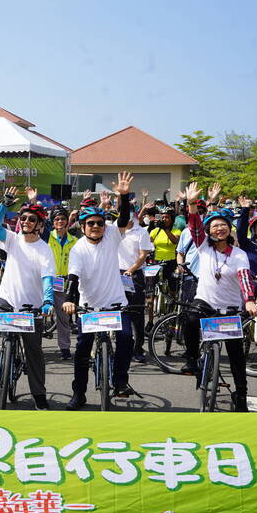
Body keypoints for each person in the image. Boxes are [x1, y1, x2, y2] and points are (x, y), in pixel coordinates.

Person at [181, 182, 257, 412]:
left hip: (230, 309)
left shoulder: (239, 254)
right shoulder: (203, 246)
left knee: (236, 356)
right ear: (209, 230)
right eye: (214, 226)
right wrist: (192, 205)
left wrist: (249, 299)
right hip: (205, 302)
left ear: (229, 228)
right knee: (191, 318)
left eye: (223, 225)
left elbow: (245, 277)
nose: (219, 229)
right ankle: (192, 358)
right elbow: (195, 226)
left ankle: (242, 395)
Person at [62, 173, 137, 410]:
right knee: (82, 353)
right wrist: (69, 301)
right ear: (83, 227)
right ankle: (79, 394)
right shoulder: (78, 248)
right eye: (91, 224)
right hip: (89, 308)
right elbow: (73, 277)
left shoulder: (112, 236)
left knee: (126, 338)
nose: (96, 227)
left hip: (115, 304)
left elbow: (123, 218)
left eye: (100, 223)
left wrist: (123, 196)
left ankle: (121, 380)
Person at [0, 186, 55, 410]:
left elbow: (47, 279)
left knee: (34, 353)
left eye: (31, 219)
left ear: (40, 225)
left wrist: (48, 301)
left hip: (31, 307)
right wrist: (5, 203)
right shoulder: (12, 239)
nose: (25, 222)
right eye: (22, 218)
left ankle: (39, 395)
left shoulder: (44, 250)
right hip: (6, 300)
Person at [118, 210, 154, 363]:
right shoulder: (115, 231)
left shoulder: (141, 232)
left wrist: (130, 270)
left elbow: (143, 255)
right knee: (117, 311)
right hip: (116, 273)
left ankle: (138, 348)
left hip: (134, 274)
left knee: (136, 313)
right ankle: (120, 347)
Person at [48, 206, 78, 359]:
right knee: (37, 314)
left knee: (63, 317)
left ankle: (65, 347)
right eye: (57, 219)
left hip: (64, 281)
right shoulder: (47, 236)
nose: (59, 221)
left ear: (67, 222)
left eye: (62, 219)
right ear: (52, 222)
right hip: (46, 280)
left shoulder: (74, 240)